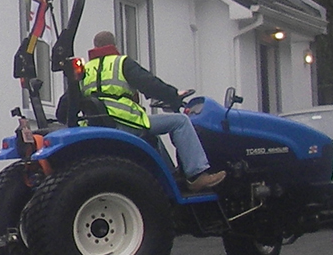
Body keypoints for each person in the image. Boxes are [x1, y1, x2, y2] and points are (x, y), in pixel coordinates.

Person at [81, 31, 227, 192]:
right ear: (114, 45)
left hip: (100, 125)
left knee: (152, 136)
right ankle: (197, 174)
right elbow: (150, 84)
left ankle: (170, 176)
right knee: (180, 121)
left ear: (95, 47)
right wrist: (173, 95)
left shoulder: (85, 70)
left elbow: (66, 103)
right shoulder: (121, 63)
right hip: (125, 122)